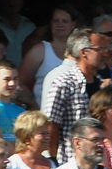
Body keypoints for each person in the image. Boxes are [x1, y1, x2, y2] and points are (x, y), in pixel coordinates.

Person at [42, 29, 107, 162]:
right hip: (70, 161)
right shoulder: (64, 83)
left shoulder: (101, 84)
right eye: (99, 49)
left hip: (99, 162)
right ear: (84, 52)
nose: (104, 53)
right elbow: (51, 126)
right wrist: (53, 160)